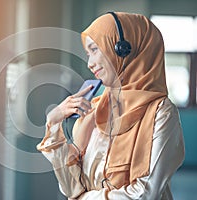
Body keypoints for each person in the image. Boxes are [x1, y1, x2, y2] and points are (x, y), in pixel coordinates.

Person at [36, 11, 185, 199]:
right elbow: (71, 188)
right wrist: (53, 124)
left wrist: (86, 198)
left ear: (122, 49)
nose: (90, 63)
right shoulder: (94, 111)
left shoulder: (161, 112)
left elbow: (145, 193)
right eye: (87, 53)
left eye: (95, 49)